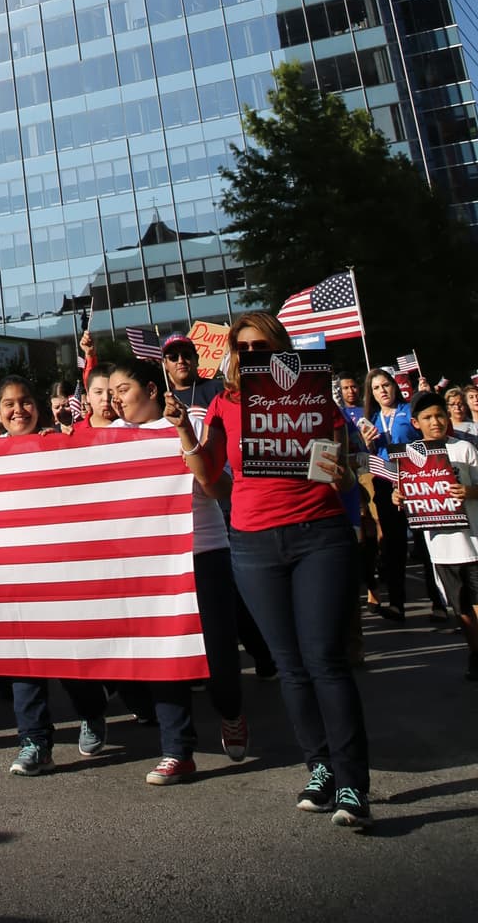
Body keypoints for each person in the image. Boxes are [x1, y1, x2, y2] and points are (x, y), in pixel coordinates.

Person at [182, 313, 372, 830]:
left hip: (319, 536)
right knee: (289, 667)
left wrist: (342, 472)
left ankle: (353, 783)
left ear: (281, 348)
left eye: (260, 345)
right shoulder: (223, 404)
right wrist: (183, 432)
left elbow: (349, 475)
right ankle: (320, 768)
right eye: (242, 347)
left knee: (325, 661)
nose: (251, 354)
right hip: (253, 544)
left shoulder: (314, 397)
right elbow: (213, 483)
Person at [107, 361, 248, 779]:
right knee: (164, 655)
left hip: (203, 551)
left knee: (218, 652)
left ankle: (231, 711)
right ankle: (177, 749)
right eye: (111, 393)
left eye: (123, 389)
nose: (116, 400)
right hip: (150, 560)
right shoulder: (112, 437)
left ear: (152, 390)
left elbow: (220, 487)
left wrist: (184, 432)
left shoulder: (195, 421)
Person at [0, 374, 110, 774]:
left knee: (69, 659)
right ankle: (35, 742)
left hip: (60, 572)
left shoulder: (58, 443)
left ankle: (92, 711)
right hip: (14, 575)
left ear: (38, 406)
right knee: (23, 660)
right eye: (9, 404)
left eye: (25, 401)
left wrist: (65, 442)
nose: (18, 410)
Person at [399, 391, 478, 681]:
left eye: (440, 415)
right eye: (428, 417)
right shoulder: (409, 455)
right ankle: (475, 654)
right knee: (461, 608)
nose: (435, 422)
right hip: (441, 548)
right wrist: (399, 496)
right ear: (416, 423)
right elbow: (407, 493)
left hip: (473, 542)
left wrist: (469, 491)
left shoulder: (464, 449)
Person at [359, 367, 417, 620]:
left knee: (424, 542)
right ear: (371, 394)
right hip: (385, 483)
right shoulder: (371, 419)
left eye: (385, 385)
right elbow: (369, 456)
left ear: (394, 386)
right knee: (393, 545)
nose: (382, 391)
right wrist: (368, 442)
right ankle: (396, 603)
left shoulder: (409, 411)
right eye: (376, 388)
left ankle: (439, 603)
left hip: (414, 479)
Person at [161, 336, 215, 411]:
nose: (181, 361)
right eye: (173, 357)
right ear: (165, 364)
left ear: (196, 359)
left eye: (186, 355)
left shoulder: (217, 389)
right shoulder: (160, 400)